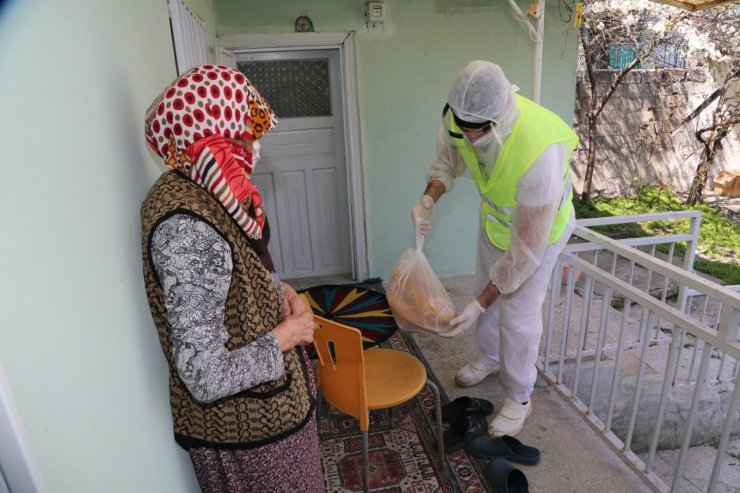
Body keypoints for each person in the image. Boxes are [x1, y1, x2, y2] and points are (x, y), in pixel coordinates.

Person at [140, 64, 325, 492]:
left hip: (267, 418)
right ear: (213, 135)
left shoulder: (206, 186)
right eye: (243, 134)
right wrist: (289, 335)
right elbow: (206, 377)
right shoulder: (186, 229)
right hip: (247, 437)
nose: (253, 146)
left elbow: (234, 274)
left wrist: (283, 290)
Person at [411, 61, 578, 437]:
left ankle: (520, 396)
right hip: (498, 222)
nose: (468, 137)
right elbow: (446, 164)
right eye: (463, 128)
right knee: (483, 291)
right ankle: (489, 357)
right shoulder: (460, 120)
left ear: (499, 120)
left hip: (540, 233)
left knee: (517, 313)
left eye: (478, 131)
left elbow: (524, 252)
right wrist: (428, 199)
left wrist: (482, 303)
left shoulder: (540, 152)